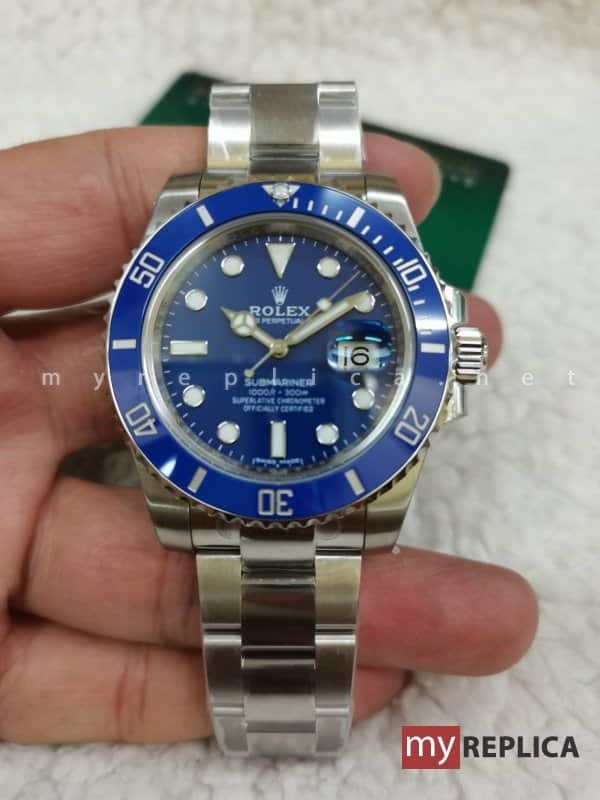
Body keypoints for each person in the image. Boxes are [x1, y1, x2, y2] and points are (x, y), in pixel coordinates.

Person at [0, 128, 537, 743]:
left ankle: (276, 718)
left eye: (283, 345)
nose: (279, 351)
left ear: (454, 358)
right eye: (273, 345)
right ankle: (273, 719)